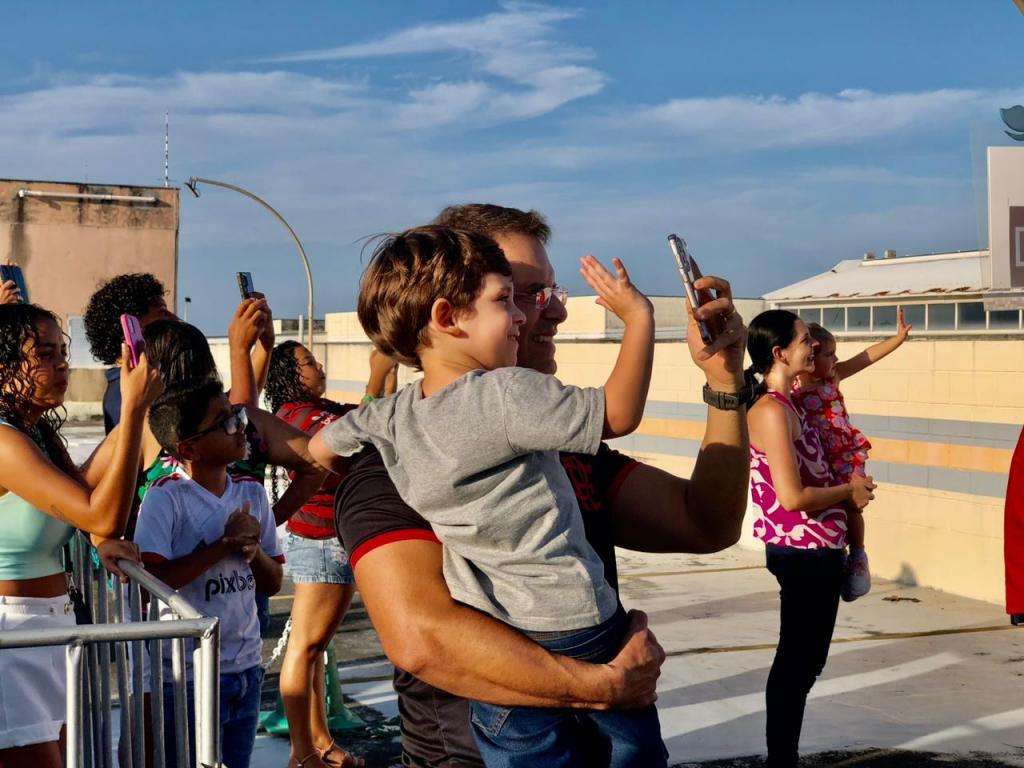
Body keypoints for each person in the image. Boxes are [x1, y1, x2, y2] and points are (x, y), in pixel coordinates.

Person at [332, 203, 749, 767]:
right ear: (450, 312)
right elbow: (422, 638)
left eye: (548, 291)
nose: (555, 311)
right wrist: (605, 687)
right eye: (522, 294)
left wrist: (725, 385)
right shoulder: (396, 459)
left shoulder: (551, 446)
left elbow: (706, 524)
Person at [0, 303, 162, 768]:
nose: (60, 366)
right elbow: (100, 514)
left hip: (49, 627)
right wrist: (131, 409)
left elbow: (81, 498)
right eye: (44, 355)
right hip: (11, 637)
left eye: (62, 353)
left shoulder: (34, 432)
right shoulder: (5, 441)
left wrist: (138, 411)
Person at [745, 309, 876, 768]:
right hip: (802, 552)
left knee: (806, 663)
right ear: (780, 353)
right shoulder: (770, 411)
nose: (813, 347)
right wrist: (849, 491)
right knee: (796, 665)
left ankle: (783, 756)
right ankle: (782, 759)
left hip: (820, 550)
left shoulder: (793, 403)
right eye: (805, 341)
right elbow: (793, 496)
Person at [136, 379, 284, 768]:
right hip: (187, 676)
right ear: (189, 449)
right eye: (226, 422)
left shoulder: (251, 493)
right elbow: (153, 583)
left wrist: (253, 552)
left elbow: (272, 582)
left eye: (238, 416)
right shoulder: (166, 497)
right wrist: (224, 544)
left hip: (245, 668)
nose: (241, 427)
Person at [265, 342, 363, 768]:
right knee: (305, 647)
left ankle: (320, 741)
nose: (318, 366)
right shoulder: (298, 416)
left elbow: (367, 416)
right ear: (289, 374)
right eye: (308, 362)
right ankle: (302, 753)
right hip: (322, 540)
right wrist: (379, 377)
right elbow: (353, 437)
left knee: (315, 648)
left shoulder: (319, 408)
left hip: (329, 537)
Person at [791, 310, 912, 601]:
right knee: (824, 506)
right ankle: (838, 553)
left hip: (843, 453)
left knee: (852, 505)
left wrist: (897, 339)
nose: (835, 359)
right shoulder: (792, 387)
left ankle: (858, 555)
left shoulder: (832, 377)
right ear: (810, 355)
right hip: (815, 458)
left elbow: (865, 357)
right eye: (829, 354)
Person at [82, 273, 176, 433]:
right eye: (163, 313)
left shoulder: (138, 385)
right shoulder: (128, 393)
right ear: (131, 329)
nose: (174, 319)